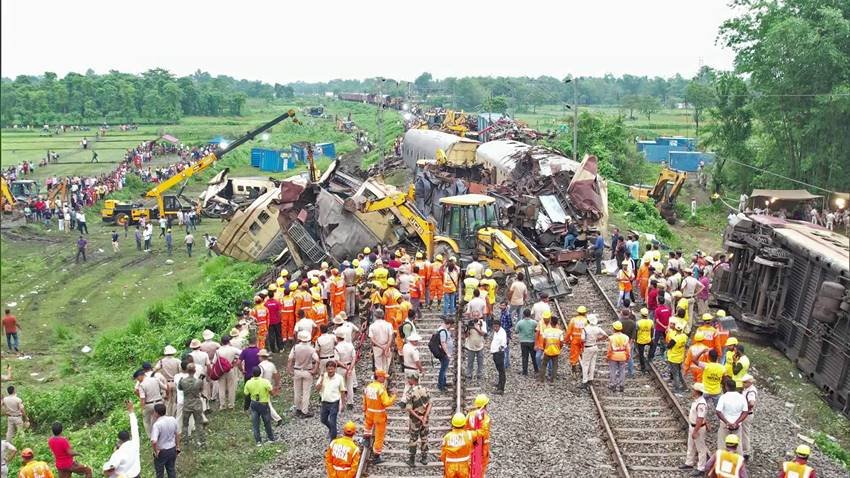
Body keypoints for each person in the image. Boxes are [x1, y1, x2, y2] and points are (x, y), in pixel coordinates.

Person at [363, 369, 396, 464]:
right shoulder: (381, 389)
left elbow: (364, 401)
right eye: (384, 377)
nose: (385, 379)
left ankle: (366, 439)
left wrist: (365, 410)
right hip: (379, 415)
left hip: (369, 413)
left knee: (368, 427)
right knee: (379, 436)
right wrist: (394, 396)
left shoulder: (368, 387)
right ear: (380, 377)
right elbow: (386, 403)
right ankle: (376, 456)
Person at [102, 401, 140, 478]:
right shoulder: (135, 443)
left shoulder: (118, 453)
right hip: (136, 475)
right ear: (129, 437)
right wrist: (131, 411)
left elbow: (108, 468)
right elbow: (134, 428)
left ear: (119, 440)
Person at [681, 383, 709, 475]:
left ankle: (701, 468)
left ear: (697, 392)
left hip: (697, 427)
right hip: (693, 426)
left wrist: (695, 431)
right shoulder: (697, 401)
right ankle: (689, 462)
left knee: (700, 448)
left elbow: (700, 418)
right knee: (691, 445)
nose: (692, 391)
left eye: (693, 390)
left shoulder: (701, 403)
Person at [288, 331, 319, 417]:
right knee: (306, 392)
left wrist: (289, 369)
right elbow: (317, 360)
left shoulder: (295, 347)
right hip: (307, 371)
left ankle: (298, 408)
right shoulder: (311, 349)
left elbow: (290, 359)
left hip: (297, 370)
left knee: (297, 391)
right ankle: (304, 410)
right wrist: (315, 370)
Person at [441, 413, 480, 478]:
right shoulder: (469, 435)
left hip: (450, 465)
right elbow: (479, 434)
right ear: (464, 424)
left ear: (452, 424)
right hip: (463, 465)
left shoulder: (447, 437)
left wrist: (445, 463)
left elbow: (443, 454)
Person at [244, 366, 276, 445]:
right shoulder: (265, 381)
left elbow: (246, 393)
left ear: (252, 374)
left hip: (254, 403)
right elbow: (271, 392)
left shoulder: (249, 382)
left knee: (255, 423)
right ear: (260, 373)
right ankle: (271, 438)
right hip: (263, 403)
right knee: (267, 422)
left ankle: (258, 441)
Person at [405, 373, 431, 466]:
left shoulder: (410, 392)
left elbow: (409, 408)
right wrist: (425, 416)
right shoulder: (426, 389)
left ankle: (412, 460)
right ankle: (424, 458)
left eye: (409, 378)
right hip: (425, 419)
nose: (408, 380)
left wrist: (419, 417)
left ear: (413, 380)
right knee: (424, 438)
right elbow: (430, 404)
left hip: (415, 420)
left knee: (413, 438)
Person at [317, 361, 347, 441]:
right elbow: (317, 389)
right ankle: (332, 429)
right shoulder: (323, 376)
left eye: (332, 369)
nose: (330, 371)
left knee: (333, 421)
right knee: (323, 419)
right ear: (326, 369)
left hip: (334, 403)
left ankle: (333, 439)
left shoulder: (339, 378)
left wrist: (343, 404)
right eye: (328, 369)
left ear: (335, 369)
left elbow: (342, 391)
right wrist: (322, 379)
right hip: (324, 402)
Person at [177, 363, 205, 447]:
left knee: (185, 424)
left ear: (186, 370)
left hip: (187, 404)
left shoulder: (182, 381)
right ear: (195, 371)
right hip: (197, 404)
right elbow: (201, 390)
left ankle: (186, 441)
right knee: (198, 423)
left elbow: (180, 388)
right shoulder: (199, 381)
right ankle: (201, 441)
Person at [716, 378, 748, 450]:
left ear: (727, 387)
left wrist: (727, 422)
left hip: (725, 425)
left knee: (722, 443)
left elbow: (718, 411)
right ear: (735, 387)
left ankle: (722, 459)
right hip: (737, 425)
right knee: (738, 444)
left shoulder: (723, 397)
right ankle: (738, 459)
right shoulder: (742, 397)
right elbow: (745, 412)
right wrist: (736, 422)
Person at [150, 403, 179, 478]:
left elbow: (154, 441)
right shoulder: (172, 419)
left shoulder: (157, 424)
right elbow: (177, 434)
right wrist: (177, 446)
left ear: (156, 413)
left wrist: (156, 451)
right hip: (172, 449)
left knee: (160, 472)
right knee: (171, 470)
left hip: (162, 451)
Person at [134, 368, 165, 437]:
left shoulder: (141, 385)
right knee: (160, 419)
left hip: (149, 405)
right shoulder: (155, 379)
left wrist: (142, 409)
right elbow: (165, 387)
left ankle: (150, 436)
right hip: (159, 403)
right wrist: (167, 395)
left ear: (140, 376)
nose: (137, 380)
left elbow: (143, 399)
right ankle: (161, 433)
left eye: (137, 378)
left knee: (146, 421)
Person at [465, 394, 491, 478]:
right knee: (481, 466)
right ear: (485, 405)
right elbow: (484, 432)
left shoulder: (469, 415)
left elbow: (465, 428)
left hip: (471, 442)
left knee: (471, 463)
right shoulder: (485, 417)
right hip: (482, 445)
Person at [580, 314, 608, 389]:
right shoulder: (597, 328)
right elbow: (606, 335)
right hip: (595, 346)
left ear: (588, 320)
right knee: (592, 363)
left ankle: (584, 381)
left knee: (585, 364)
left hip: (587, 347)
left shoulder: (585, 329)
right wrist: (599, 339)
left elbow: (582, 339)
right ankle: (590, 379)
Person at [153, 345, 182, 416]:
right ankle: (174, 415)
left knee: (167, 401)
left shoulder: (161, 362)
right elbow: (181, 371)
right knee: (175, 401)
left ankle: (167, 416)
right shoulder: (177, 361)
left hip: (165, 384)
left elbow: (155, 370)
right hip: (175, 383)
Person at [257, 349, 283, 424]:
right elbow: (276, 375)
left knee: (266, 403)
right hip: (269, 384)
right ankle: (269, 416)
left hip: (263, 386)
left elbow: (259, 378)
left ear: (261, 357)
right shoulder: (271, 365)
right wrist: (277, 385)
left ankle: (277, 418)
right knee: (266, 402)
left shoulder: (260, 366)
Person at [216, 336, 241, 411]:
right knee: (231, 388)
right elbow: (242, 353)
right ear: (229, 341)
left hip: (221, 371)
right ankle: (231, 405)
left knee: (221, 388)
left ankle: (222, 405)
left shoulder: (218, 351)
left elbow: (214, 361)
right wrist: (235, 362)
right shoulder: (232, 349)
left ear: (221, 341)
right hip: (230, 369)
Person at [538, 312, 564, 383]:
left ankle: (542, 379)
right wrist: (559, 348)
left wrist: (544, 348)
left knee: (544, 364)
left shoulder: (546, 331)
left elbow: (543, 341)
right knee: (555, 366)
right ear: (556, 323)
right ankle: (553, 379)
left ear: (551, 322)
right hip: (556, 351)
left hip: (547, 350)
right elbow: (562, 342)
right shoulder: (560, 332)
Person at [607, 321, 630, 392]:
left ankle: (613, 385)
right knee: (622, 371)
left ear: (614, 329)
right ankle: (621, 385)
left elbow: (609, 349)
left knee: (612, 371)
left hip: (613, 356)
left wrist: (608, 357)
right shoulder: (626, 337)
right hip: (622, 355)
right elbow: (628, 348)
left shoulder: (611, 338)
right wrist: (628, 356)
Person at [464, 311, 486, 383]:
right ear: (472, 316)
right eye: (474, 316)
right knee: (470, 362)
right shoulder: (469, 323)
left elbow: (483, 334)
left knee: (480, 362)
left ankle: (479, 376)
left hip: (480, 345)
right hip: (470, 346)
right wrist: (468, 329)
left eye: (477, 315)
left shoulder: (482, 323)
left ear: (479, 316)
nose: (475, 317)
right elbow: (466, 336)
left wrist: (475, 328)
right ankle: (469, 376)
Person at [566, 306, 588, 375]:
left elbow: (569, 331)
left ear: (578, 312)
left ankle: (574, 368)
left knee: (574, 354)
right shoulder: (587, 320)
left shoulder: (573, 320)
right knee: (584, 353)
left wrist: (567, 339)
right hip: (583, 340)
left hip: (575, 339)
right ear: (585, 313)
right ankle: (583, 367)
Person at [516, 309, 538, 375]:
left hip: (523, 341)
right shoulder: (534, 322)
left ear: (523, 314)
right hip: (532, 341)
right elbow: (537, 330)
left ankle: (525, 371)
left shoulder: (520, 322)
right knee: (533, 356)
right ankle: (536, 369)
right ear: (530, 314)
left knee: (525, 357)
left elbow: (516, 331)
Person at [666, 323, 688, 392]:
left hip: (673, 358)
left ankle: (677, 388)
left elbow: (668, 346)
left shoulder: (674, 339)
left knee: (675, 374)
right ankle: (685, 386)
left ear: (675, 329)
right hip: (680, 357)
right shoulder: (684, 336)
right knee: (679, 372)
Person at [740, 374, 757, 460]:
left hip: (747, 414)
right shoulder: (747, 389)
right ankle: (743, 450)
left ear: (749, 383)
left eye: (744, 382)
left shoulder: (751, 392)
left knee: (745, 433)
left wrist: (745, 410)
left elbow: (752, 403)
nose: (743, 384)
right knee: (743, 432)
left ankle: (745, 452)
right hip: (746, 413)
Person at [435, 317, 454, 392]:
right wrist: (447, 353)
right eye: (451, 325)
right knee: (443, 369)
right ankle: (440, 385)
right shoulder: (443, 331)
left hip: (443, 353)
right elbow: (443, 343)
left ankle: (444, 382)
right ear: (448, 324)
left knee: (444, 368)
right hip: (443, 354)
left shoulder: (443, 329)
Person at [490, 321, 507, 394]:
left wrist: (500, 349)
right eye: (494, 327)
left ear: (499, 326)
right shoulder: (496, 332)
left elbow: (504, 342)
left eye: (496, 327)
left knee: (501, 371)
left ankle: (501, 389)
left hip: (499, 353)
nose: (495, 328)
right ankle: (499, 384)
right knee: (499, 370)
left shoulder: (502, 332)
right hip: (495, 352)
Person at [635, 308, 653, 373]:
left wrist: (636, 339)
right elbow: (652, 330)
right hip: (648, 339)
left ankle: (643, 368)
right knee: (653, 346)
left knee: (641, 354)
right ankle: (650, 357)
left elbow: (636, 332)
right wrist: (651, 338)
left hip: (640, 340)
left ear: (641, 314)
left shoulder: (638, 323)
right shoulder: (651, 322)